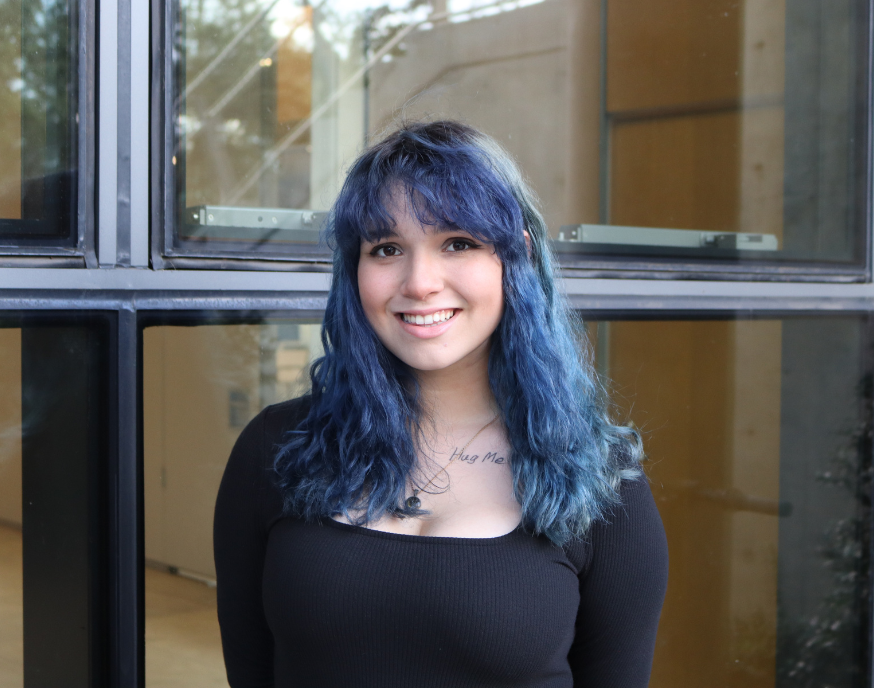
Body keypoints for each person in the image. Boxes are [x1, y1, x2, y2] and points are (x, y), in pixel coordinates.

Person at [213, 120, 668, 688]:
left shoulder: (601, 480)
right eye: (386, 248)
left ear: (515, 257)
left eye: (457, 243)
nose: (420, 282)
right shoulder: (276, 449)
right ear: (354, 271)